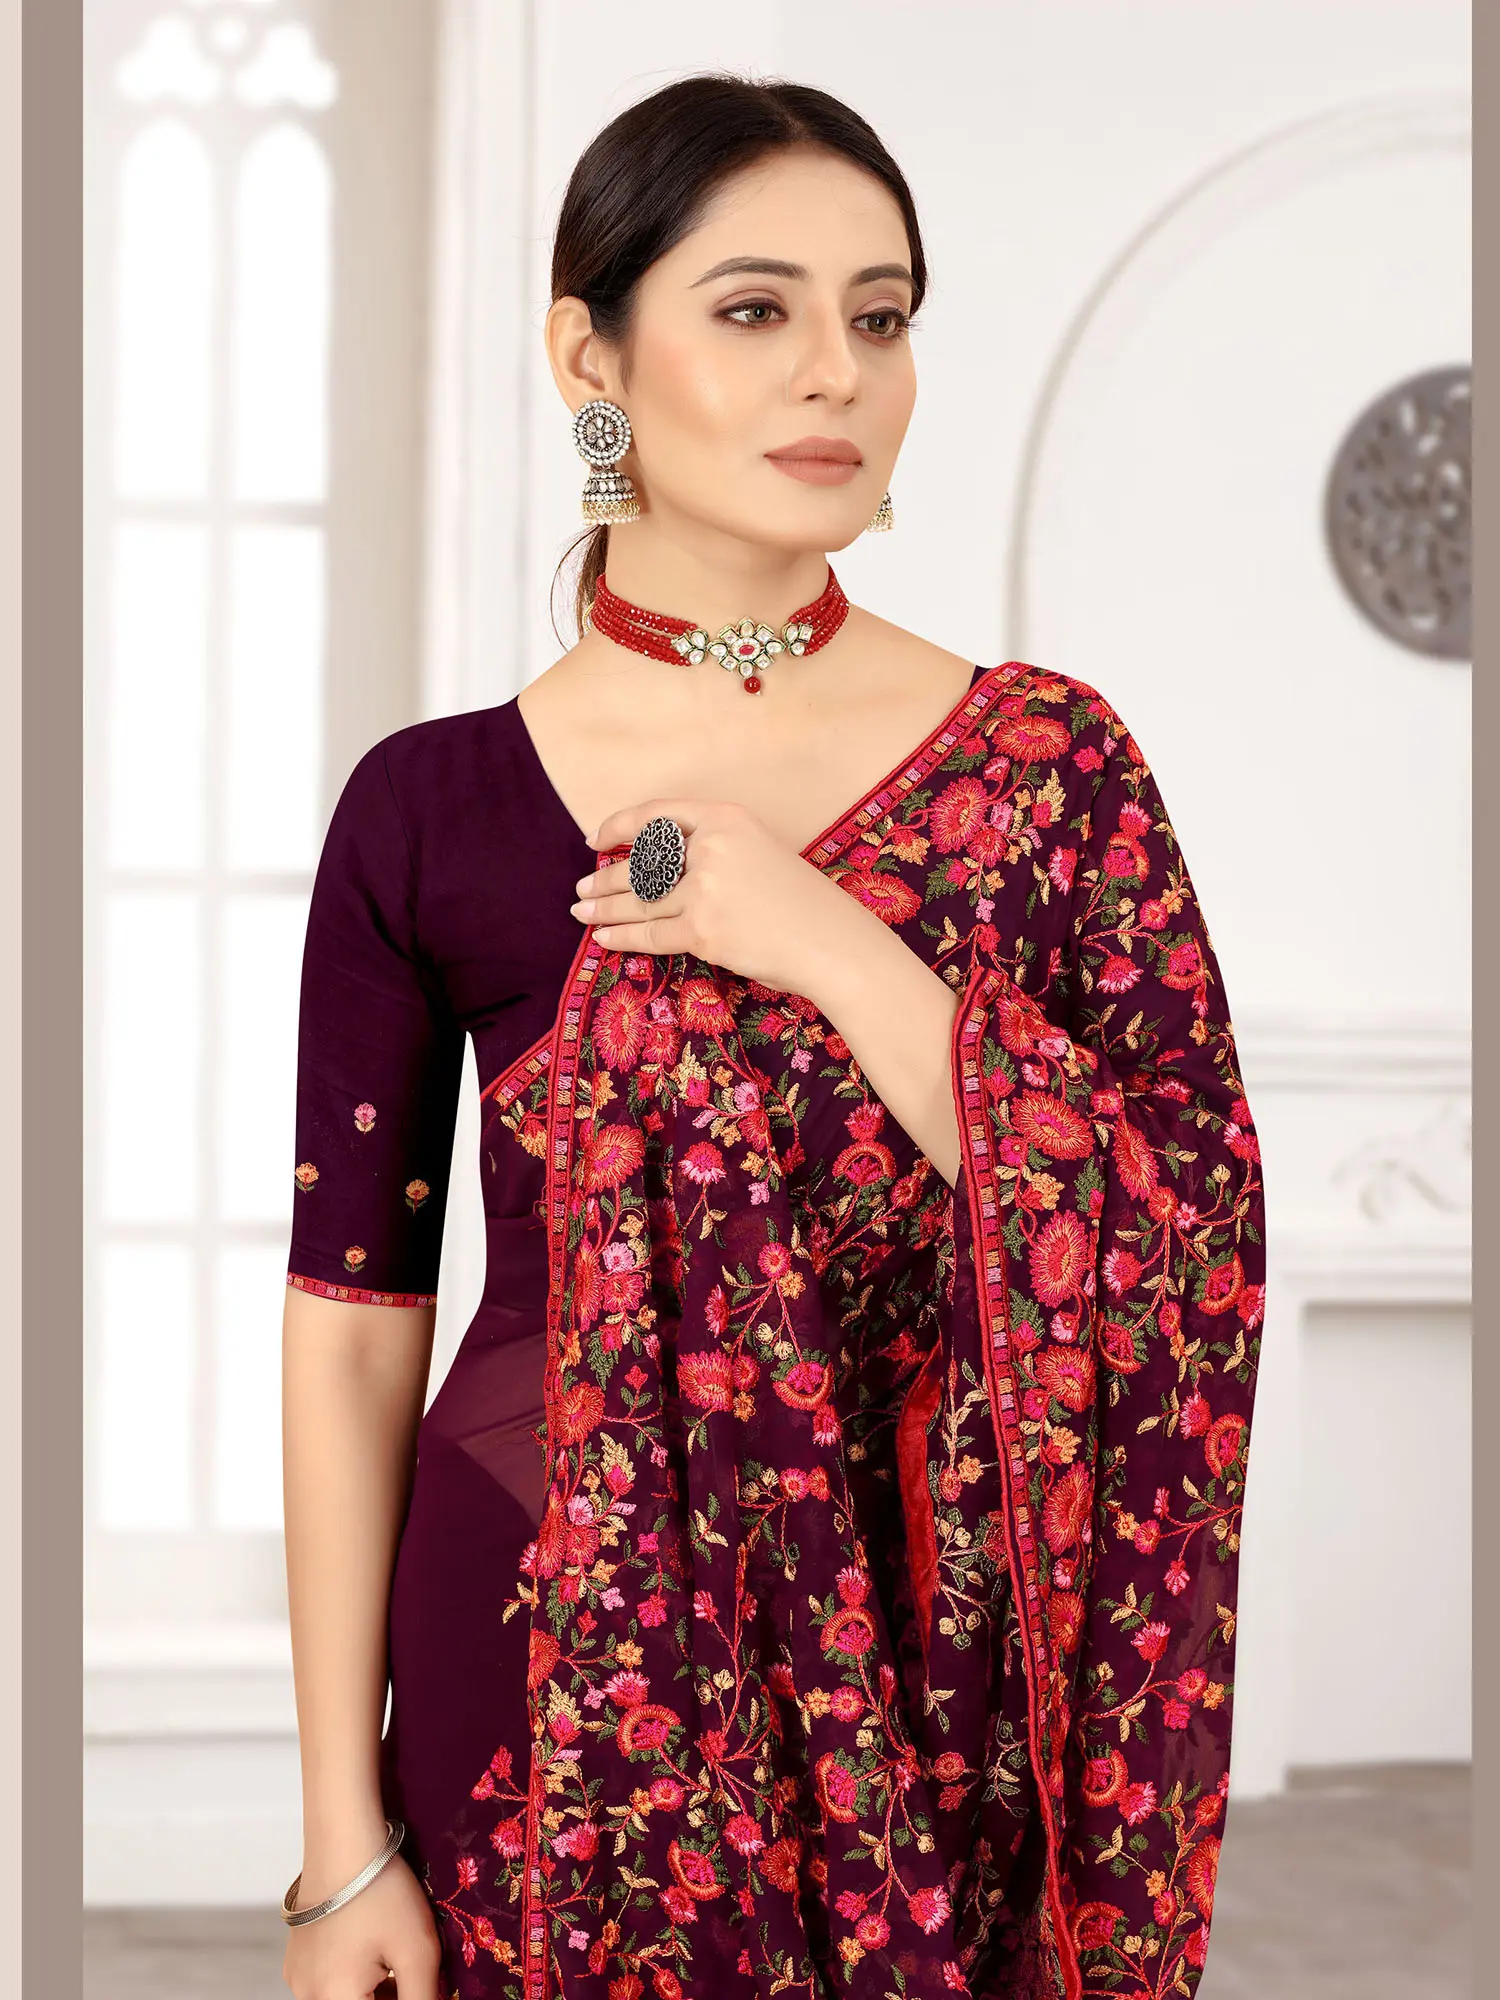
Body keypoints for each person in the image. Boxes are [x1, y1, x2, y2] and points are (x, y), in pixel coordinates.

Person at [278, 73, 1264, 2000]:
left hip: (955, 1667)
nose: (837, 372)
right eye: (756, 309)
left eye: (880, 318)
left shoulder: (1051, 769)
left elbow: (1188, 1231)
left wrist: (835, 950)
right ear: (590, 356)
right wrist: (341, 1844)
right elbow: (351, 1336)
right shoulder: (431, 805)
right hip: (557, 1654)